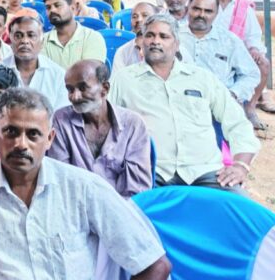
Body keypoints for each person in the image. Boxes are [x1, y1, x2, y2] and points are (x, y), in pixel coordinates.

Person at [0, 87, 171, 280]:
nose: (21, 144)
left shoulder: (84, 188)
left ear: (50, 138)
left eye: (33, 134)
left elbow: (154, 266)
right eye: (11, 132)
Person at [109, 14, 260, 192]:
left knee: (239, 205)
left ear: (177, 44)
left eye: (164, 36)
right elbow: (103, 124)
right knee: (127, 207)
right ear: (142, 42)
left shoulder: (202, 78)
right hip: (149, 171)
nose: (155, 41)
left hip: (206, 172)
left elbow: (237, 123)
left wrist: (241, 165)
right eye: (149, 35)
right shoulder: (123, 80)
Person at [48, 60, 152, 197]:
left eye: (83, 88)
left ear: (105, 89)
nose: (75, 96)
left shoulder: (133, 124)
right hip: (76, 206)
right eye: (70, 89)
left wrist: (111, 209)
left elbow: (137, 190)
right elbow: (60, 180)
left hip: (123, 207)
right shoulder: (61, 120)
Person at [179, 0, 263, 129]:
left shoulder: (229, 41)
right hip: (179, 106)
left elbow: (251, 74)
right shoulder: (172, 37)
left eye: (208, 11)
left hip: (218, 109)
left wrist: (233, 94)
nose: (201, 15)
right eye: (196, 9)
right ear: (187, 8)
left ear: (216, 14)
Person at [212, 0, 275, 117]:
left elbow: (252, 34)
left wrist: (254, 48)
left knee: (263, 64)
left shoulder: (243, 5)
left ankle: (250, 106)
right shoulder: (206, 2)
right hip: (209, 49)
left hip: (236, 52)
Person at [4, 16, 70, 109]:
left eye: (31, 35)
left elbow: (62, 114)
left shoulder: (58, 75)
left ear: (42, 42)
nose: (25, 41)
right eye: (18, 36)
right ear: (10, 40)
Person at [43, 0, 108, 68]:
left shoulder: (92, 37)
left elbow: (89, 73)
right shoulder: (42, 41)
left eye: (58, 5)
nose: (52, 10)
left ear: (72, 8)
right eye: (48, 7)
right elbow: (43, 73)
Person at [112, 2, 160, 71]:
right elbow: (117, 77)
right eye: (134, 17)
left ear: (157, 19)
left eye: (145, 15)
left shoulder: (167, 49)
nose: (139, 19)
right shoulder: (123, 52)